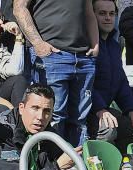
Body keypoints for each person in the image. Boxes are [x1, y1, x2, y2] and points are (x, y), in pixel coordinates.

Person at [12, 0, 97, 145]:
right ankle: (53, 164)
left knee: (80, 120)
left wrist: (95, 44)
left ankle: (75, 165)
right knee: (52, 117)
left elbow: (88, 11)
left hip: (83, 58)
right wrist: (38, 43)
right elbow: (19, 8)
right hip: (51, 55)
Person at [90, 0, 133, 151]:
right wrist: (100, 109)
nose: (108, 18)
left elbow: (121, 82)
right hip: (88, 112)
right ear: (92, 16)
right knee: (108, 128)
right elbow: (86, 83)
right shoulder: (87, 45)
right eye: (102, 13)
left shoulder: (114, 46)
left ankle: (127, 167)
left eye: (112, 14)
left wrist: (131, 109)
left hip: (105, 110)